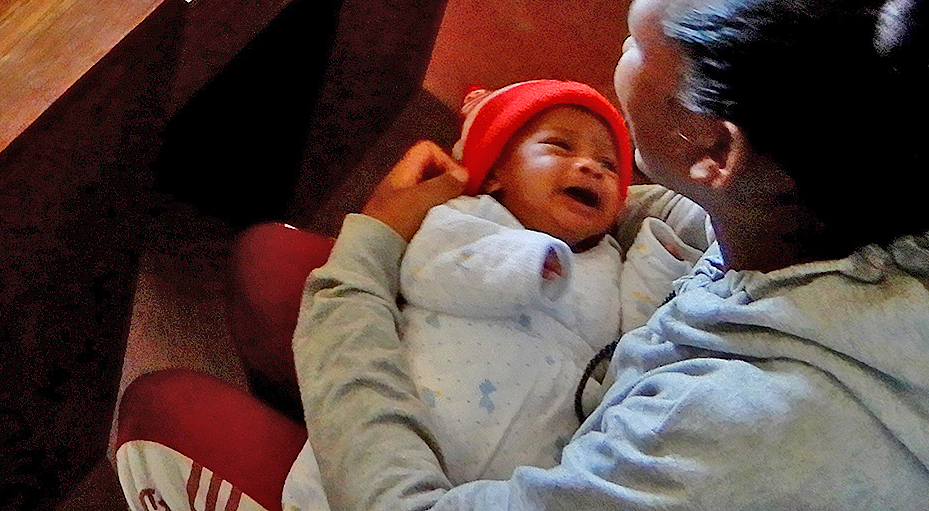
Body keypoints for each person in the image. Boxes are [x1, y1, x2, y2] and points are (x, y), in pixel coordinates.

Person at [114, 0, 929, 511]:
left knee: (163, 409)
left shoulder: (741, 440)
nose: (615, 55)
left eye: (634, 41)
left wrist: (364, 256)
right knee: (273, 265)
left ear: (717, 148)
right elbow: (691, 228)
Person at [279, 81, 706, 511]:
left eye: (609, 165)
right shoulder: (472, 218)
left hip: (512, 480)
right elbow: (428, 271)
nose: (590, 167)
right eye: (559, 147)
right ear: (497, 174)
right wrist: (530, 261)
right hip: (396, 443)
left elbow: (630, 343)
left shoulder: (609, 259)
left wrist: (660, 260)